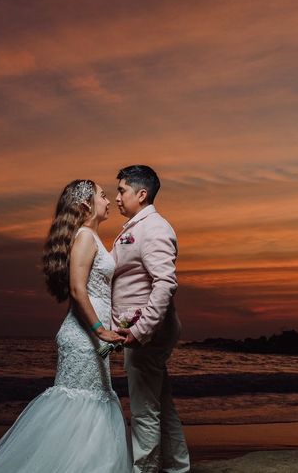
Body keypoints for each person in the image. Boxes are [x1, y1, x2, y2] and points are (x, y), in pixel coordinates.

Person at [0, 179, 132, 472]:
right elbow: (77, 290)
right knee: (80, 408)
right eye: (103, 196)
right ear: (86, 205)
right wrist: (100, 331)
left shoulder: (92, 238)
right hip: (85, 337)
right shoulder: (84, 237)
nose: (109, 201)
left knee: (91, 408)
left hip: (92, 339)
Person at [112, 165, 190, 473]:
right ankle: (178, 468)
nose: (117, 196)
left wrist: (141, 329)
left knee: (145, 410)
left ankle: (144, 469)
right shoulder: (137, 226)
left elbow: (165, 283)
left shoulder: (154, 227)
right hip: (144, 332)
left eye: (122, 191)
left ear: (141, 194)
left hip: (147, 334)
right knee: (161, 404)